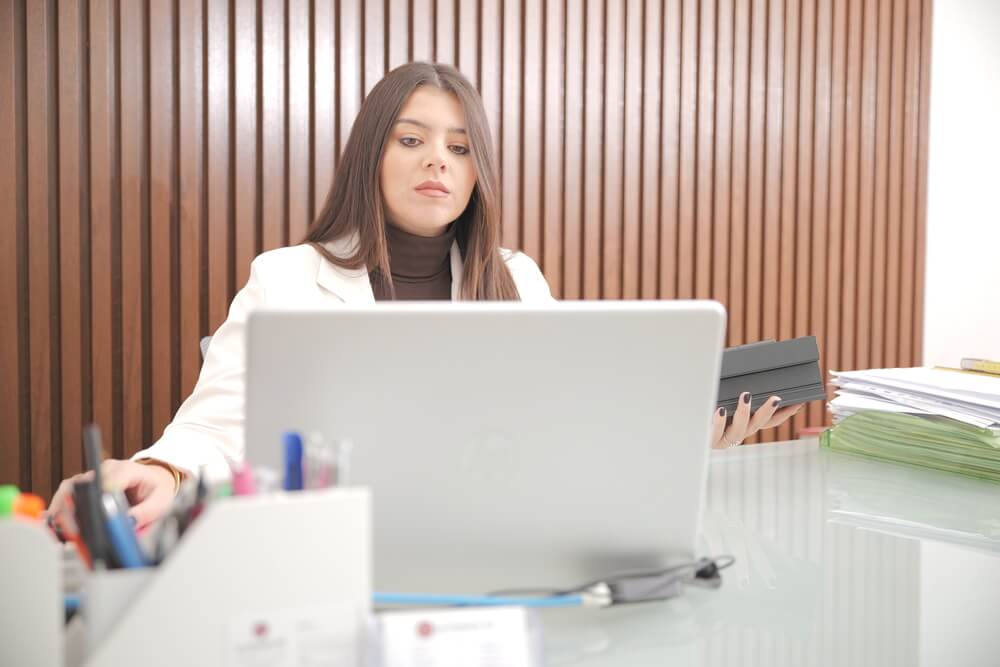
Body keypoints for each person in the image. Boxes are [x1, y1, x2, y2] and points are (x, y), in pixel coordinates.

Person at [47, 62, 801, 527]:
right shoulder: (285, 274)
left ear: (478, 174)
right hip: (338, 547)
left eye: (460, 147)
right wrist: (163, 469)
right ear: (371, 156)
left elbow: (562, 434)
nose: (437, 161)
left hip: (490, 539)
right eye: (411, 140)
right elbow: (217, 425)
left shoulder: (516, 278)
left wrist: (676, 447)